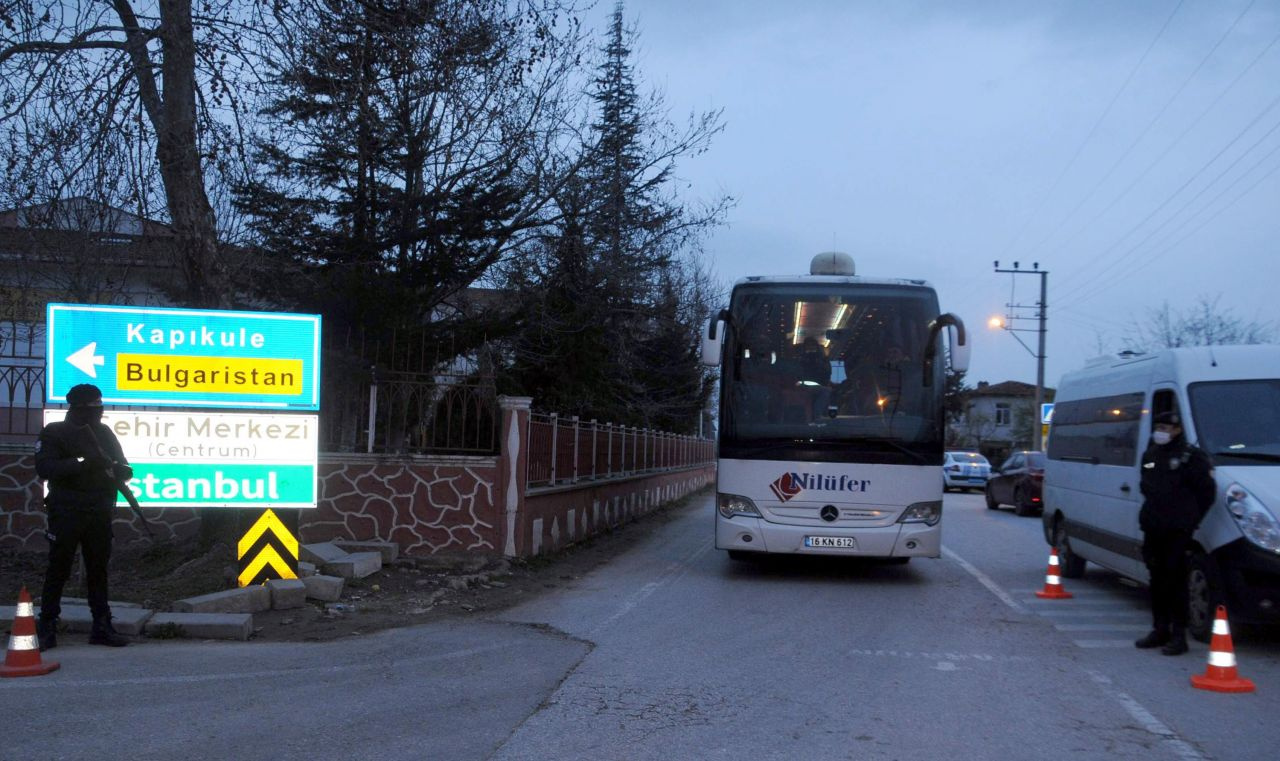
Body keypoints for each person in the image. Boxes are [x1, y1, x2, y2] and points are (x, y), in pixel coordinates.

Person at [35, 383, 133, 650]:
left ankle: (102, 625)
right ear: (78, 409)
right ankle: (47, 627)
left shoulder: (103, 433)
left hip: (99, 509)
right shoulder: (55, 432)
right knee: (59, 568)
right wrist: (82, 463)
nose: (97, 413)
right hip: (66, 509)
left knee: (98, 570)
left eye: (99, 407)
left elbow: (121, 463)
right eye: (92, 408)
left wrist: (121, 471)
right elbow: (44, 467)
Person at [1134, 411, 1216, 656]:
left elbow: (1206, 493)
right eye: (1158, 426)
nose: (1161, 431)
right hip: (1153, 526)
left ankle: (1179, 636)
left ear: (1178, 430)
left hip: (1178, 530)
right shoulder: (1151, 454)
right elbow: (1145, 483)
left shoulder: (1191, 457)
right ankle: (1160, 629)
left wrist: (1190, 520)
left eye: (1167, 427)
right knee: (1156, 579)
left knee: (1176, 581)